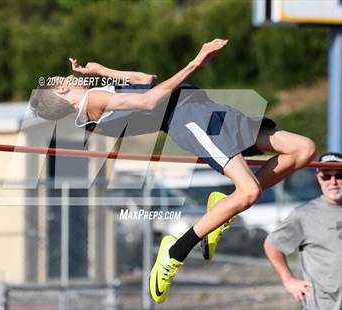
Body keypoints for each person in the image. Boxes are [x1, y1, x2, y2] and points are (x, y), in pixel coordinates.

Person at [29, 38, 317, 304]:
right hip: (189, 118)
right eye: (59, 80)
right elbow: (150, 100)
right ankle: (175, 251)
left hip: (203, 108)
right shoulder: (92, 103)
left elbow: (146, 82)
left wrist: (102, 70)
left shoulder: (94, 95)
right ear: (62, 91)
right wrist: (196, 61)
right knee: (250, 190)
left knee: (303, 148)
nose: (65, 76)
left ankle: (224, 205)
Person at [264, 152, 342, 310]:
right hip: (323, 304)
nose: (333, 182)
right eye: (326, 177)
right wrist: (289, 280)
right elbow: (272, 245)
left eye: (339, 175)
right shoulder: (304, 214)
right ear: (318, 179)